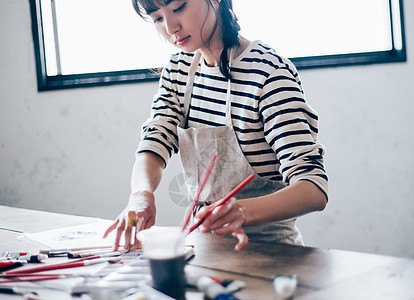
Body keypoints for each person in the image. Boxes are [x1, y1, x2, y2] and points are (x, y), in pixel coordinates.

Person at [104, 0, 328, 251]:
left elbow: (313, 189)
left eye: (179, 8)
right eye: (157, 18)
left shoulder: (267, 71)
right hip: (203, 249)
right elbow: (155, 141)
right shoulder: (178, 70)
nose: (170, 27)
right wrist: (141, 194)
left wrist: (242, 210)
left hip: (271, 252)